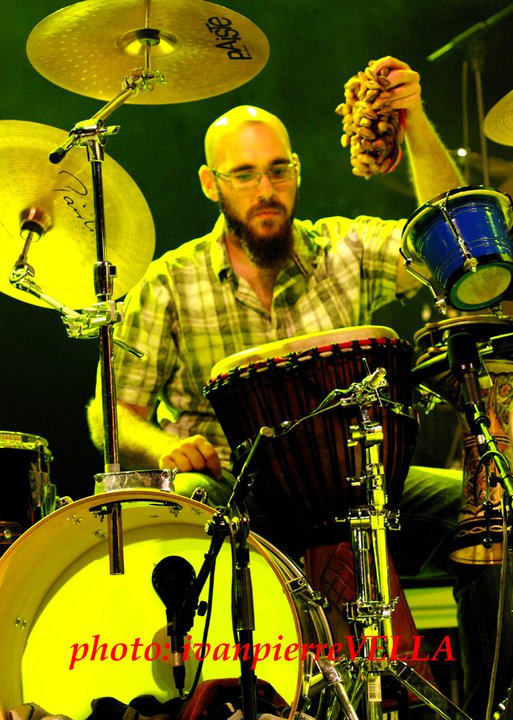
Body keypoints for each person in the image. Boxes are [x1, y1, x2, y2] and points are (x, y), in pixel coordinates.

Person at [87, 56, 512, 719]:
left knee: (491, 508)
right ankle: (232, 699)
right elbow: (110, 415)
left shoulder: (344, 252)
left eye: (278, 170)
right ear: (210, 183)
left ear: (297, 173)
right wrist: (164, 447)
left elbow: (450, 244)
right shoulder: (170, 282)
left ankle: (491, 702)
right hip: (237, 495)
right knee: (192, 501)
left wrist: (413, 121)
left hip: (359, 485)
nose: (266, 189)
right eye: (245, 174)